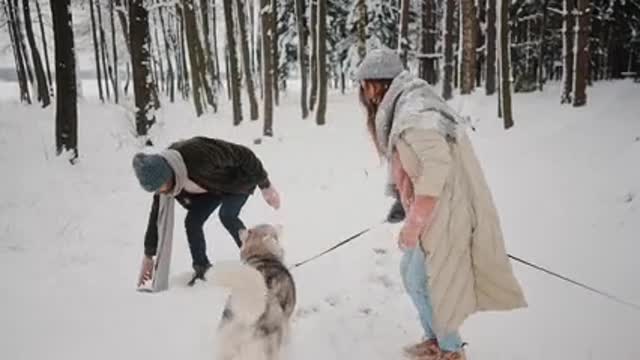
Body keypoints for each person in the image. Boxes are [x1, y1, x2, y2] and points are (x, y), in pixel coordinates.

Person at [354, 48, 527, 360]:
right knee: (413, 274)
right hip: (434, 208)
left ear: (378, 83)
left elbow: (436, 168)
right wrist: (402, 203)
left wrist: (415, 222)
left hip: (445, 211)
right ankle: (438, 340)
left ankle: (450, 349)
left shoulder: (414, 113)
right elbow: (414, 164)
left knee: (422, 279)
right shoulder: (406, 104)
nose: (363, 93)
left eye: (364, 85)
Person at [132, 136, 280, 286]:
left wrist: (265, 185)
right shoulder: (163, 184)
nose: (161, 192)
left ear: (169, 174)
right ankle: (202, 269)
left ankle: (256, 260)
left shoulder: (198, 153)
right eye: (156, 190)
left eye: (161, 187)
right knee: (192, 222)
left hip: (236, 180)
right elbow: (157, 218)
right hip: (211, 189)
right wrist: (149, 255)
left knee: (227, 215)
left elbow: (244, 155)